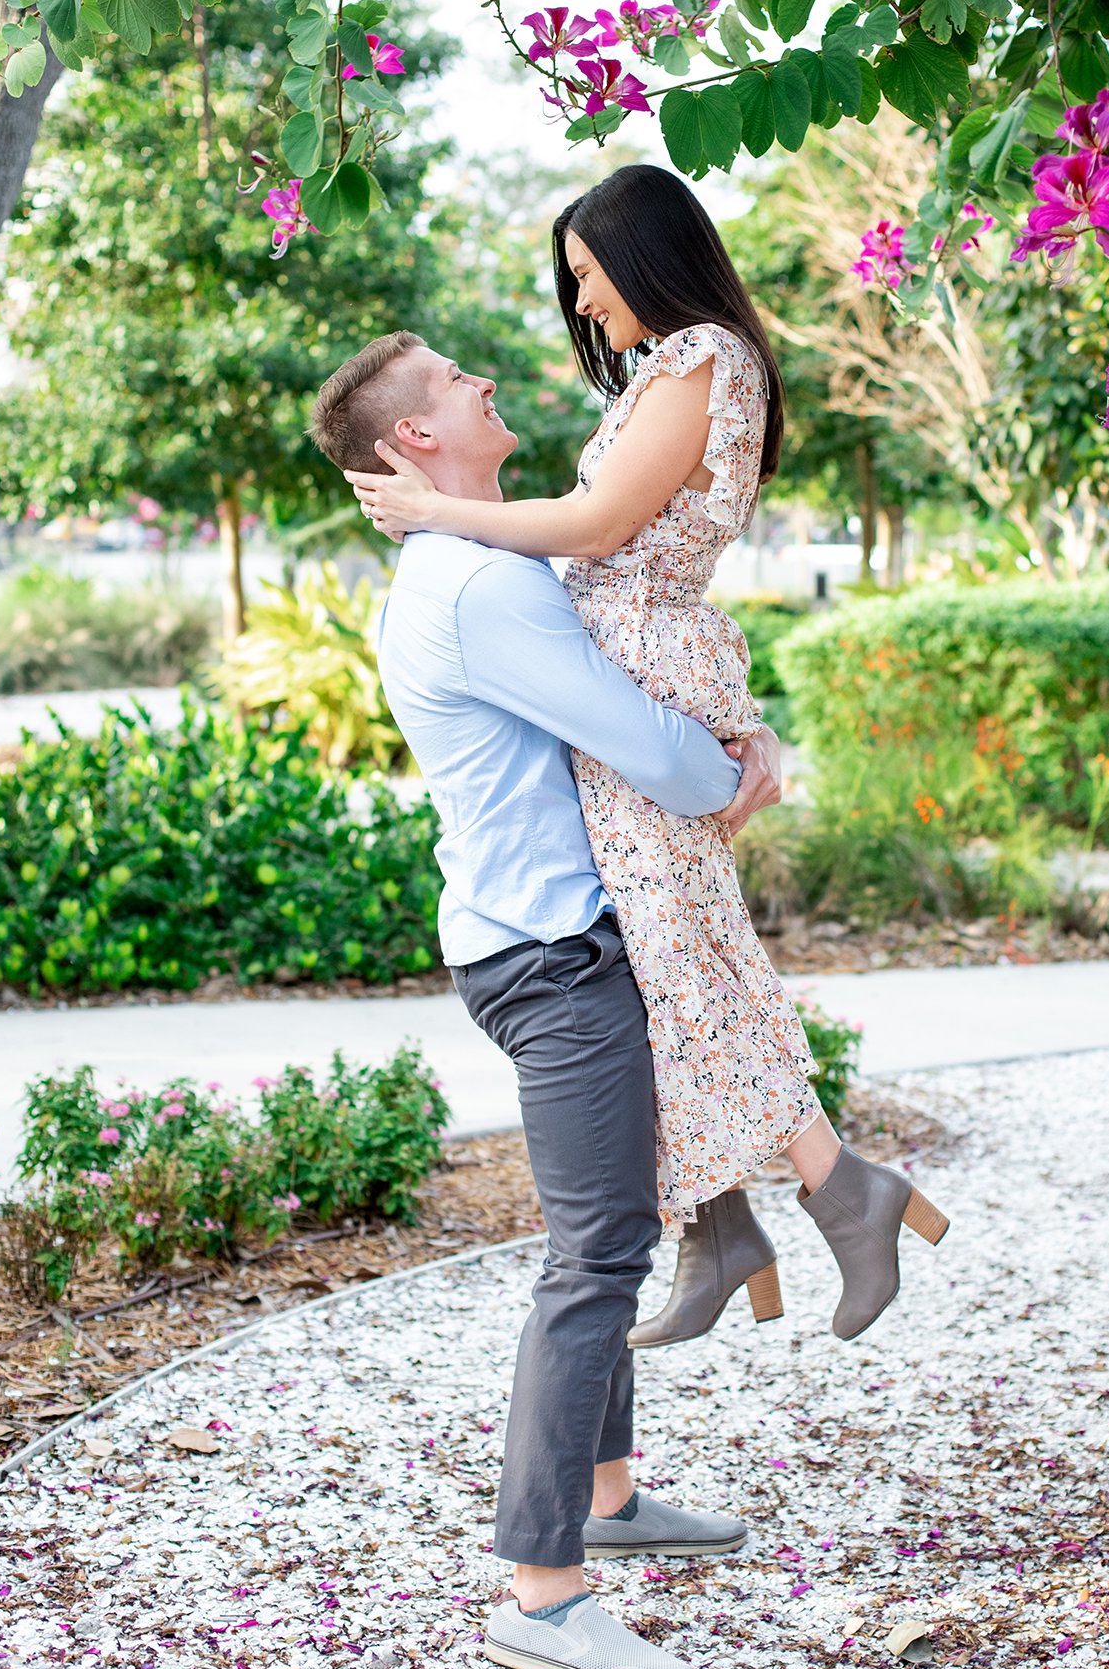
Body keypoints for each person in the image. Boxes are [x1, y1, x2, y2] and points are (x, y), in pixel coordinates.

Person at [344, 165, 948, 1354]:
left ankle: (825, 1195)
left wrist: (437, 512)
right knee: (664, 962)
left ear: (642, 254)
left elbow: (595, 527)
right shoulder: (667, 368)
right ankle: (728, 1221)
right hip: (628, 660)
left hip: (640, 665)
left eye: (586, 277)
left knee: (684, 956)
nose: (581, 306)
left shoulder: (701, 359)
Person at [312, 330, 785, 1669]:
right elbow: (628, 736)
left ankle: (607, 1499)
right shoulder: (476, 586)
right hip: (550, 958)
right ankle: (540, 1586)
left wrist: (721, 753)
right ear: (413, 441)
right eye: (458, 382)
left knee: (618, 1228)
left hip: (552, 942)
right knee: (594, 1259)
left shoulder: (478, 561)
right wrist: (729, 778)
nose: (484, 384)